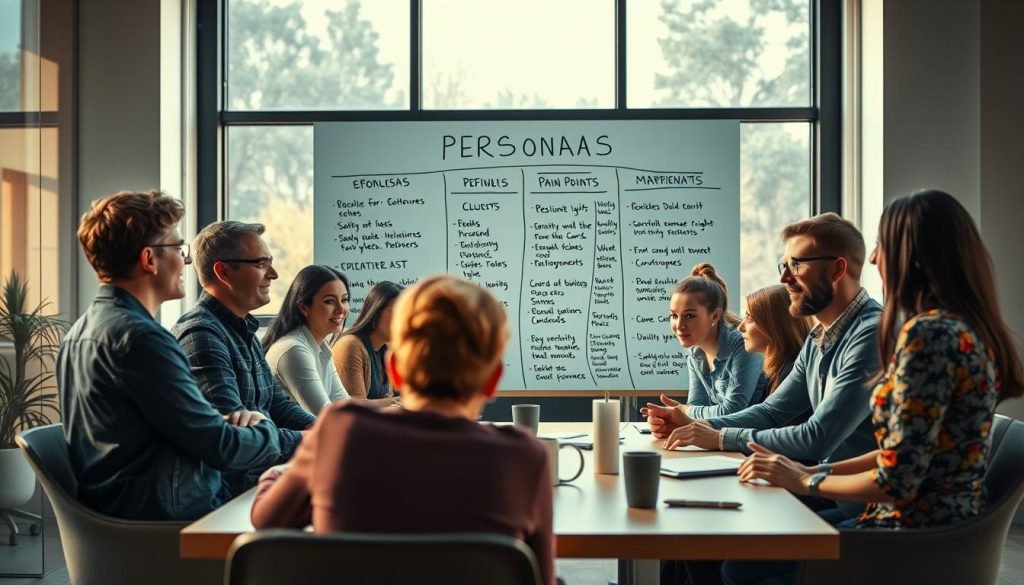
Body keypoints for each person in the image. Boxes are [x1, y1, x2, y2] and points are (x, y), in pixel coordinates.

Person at [721, 190, 1024, 585]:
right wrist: (810, 470)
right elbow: (898, 451)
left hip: (913, 539)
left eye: (883, 244)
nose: (877, 257)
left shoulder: (927, 336)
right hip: (928, 526)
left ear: (910, 256)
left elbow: (897, 477)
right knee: (746, 550)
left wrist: (805, 479)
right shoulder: (960, 330)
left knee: (741, 565)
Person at [251, 275, 556, 585]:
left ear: (395, 368)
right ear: (493, 381)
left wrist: (277, 474)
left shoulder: (341, 431)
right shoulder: (526, 457)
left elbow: (267, 519)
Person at [58, 190, 282, 521]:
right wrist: (265, 428)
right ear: (149, 259)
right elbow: (221, 448)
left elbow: (149, 434)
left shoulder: (78, 333)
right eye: (179, 249)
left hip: (132, 515)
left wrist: (219, 424)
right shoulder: (143, 340)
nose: (187, 261)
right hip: (169, 523)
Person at [644, 213, 881, 516]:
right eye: (784, 266)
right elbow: (772, 412)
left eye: (797, 265)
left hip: (862, 509)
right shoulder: (818, 337)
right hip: (833, 496)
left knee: (731, 554)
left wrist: (719, 436)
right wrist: (691, 423)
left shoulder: (870, 334)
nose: (784, 279)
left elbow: (817, 437)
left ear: (837, 269)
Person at [172, 221, 315, 496]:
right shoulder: (201, 335)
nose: (273, 274)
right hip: (233, 496)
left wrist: (318, 427)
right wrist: (308, 440)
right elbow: (237, 439)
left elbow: (274, 402)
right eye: (261, 263)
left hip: (263, 481)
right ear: (223, 271)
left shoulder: (241, 328)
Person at [660, 263, 766, 419]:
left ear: (715, 316)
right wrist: (674, 417)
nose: (679, 326)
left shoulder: (742, 344)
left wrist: (683, 411)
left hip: (755, 439)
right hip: (721, 437)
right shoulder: (695, 353)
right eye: (674, 316)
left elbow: (732, 411)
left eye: (689, 316)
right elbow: (696, 405)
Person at [263, 265, 352, 415]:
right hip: (295, 436)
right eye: (330, 301)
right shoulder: (293, 349)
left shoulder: (322, 347)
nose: (341, 309)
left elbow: (343, 402)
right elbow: (325, 414)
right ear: (304, 307)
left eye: (344, 300)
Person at [331, 281, 404, 407]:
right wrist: (391, 401)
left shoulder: (386, 348)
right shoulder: (350, 345)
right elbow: (355, 407)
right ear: (376, 311)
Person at [739, 284, 813, 400]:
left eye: (749, 318)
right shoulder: (774, 372)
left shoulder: (791, 375)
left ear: (774, 325)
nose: (740, 327)